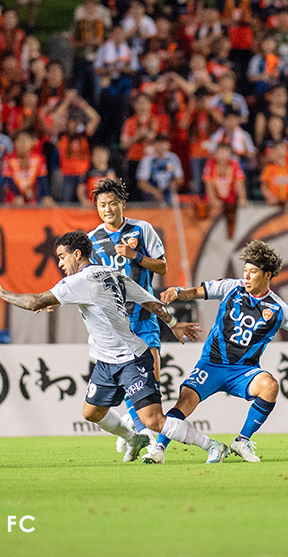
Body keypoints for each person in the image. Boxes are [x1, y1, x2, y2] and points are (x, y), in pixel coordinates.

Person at [0, 231, 228, 464]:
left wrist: (0, 293)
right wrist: (173, 324)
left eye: (62, 257)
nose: (60, 263)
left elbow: (35, 302)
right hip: (107, 361)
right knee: (92, 412)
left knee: (153, 420)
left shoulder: (80, 280)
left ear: (77, 254)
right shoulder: (111, 274)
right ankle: (134, 439)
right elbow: (150, 302)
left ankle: (213, 446)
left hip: (131, 359)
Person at [146, 240, 288, 464]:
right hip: (211, 364)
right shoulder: (231, 287)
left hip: (243, 371)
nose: (246, 277)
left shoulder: (278, 309)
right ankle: (159, 449)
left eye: (253, 272)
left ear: (267, 275)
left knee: (270, 386)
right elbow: (196, 292)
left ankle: (242, 441)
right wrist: (178, 291)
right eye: (245, 271)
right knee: (184, 402)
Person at [87, 178, 169, 458]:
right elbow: (84, 279)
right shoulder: (92, 239)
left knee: (151, 380)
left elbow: (162, 266)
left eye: (112, 203)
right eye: (102, 205)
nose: (108, 209)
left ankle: (137, 428)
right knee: (131, 383)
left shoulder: (142, 229)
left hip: (143, 316)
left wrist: (136, 256)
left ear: (123, 204)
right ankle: (147, 441)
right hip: (113, 324)